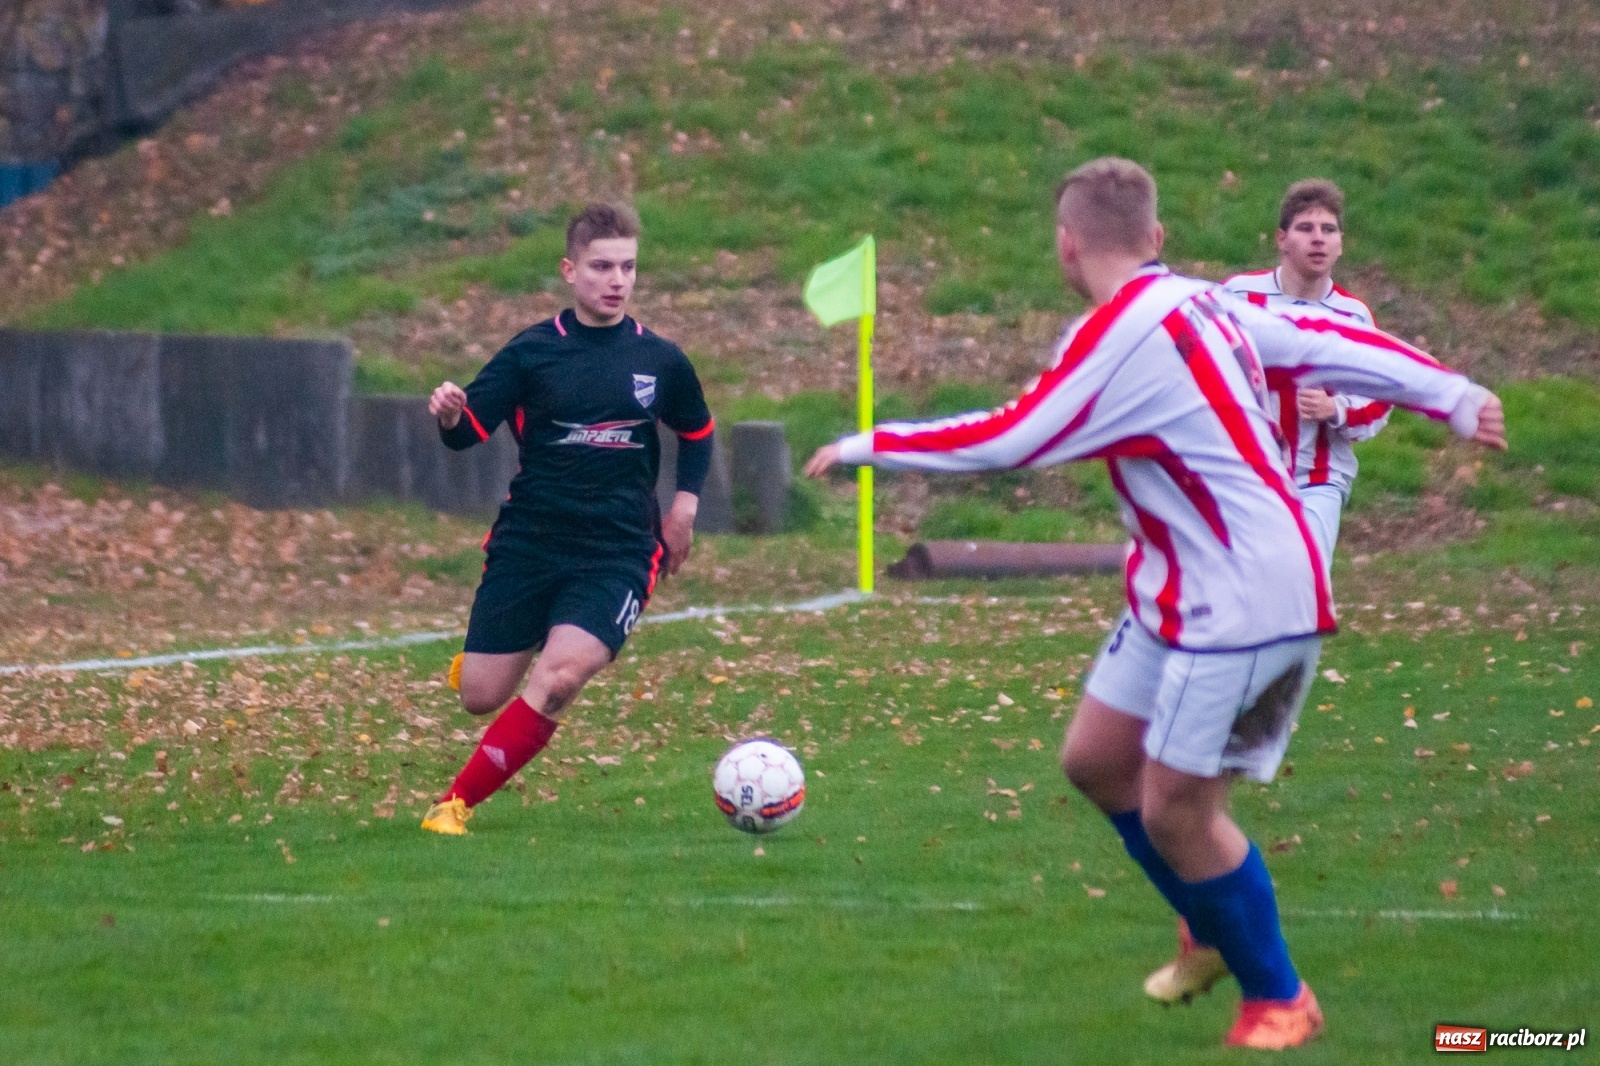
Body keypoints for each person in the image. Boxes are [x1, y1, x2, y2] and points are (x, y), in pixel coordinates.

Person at [804, 158, 1506, 1050]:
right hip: (1178, 586)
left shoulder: (1126, 339)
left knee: (1178, 810)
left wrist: (872, 444)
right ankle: (1209, 922)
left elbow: (1012, 439)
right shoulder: (1209, 301)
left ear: (1066, 246)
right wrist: (1453, 393)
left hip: (1250, 594)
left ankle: (1279, 994)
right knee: (1098, 761)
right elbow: (1327, 344)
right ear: (1158, 237)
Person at [420, 202, 715, 836]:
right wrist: (449, 414)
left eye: (629, 268)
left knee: (559, 678)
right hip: (530, 542)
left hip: (618, 551)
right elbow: (466, 433)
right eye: (602, 266)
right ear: (569, 269)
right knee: (479, 696)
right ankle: (494, 653)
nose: (617, 280)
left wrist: (685, 505)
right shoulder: (531, 353)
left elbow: (698, 430)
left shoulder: (660, 360)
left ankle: (454, 804)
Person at [1224, 179, 1390, 565]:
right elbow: (1193, 360)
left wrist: (1336, 410)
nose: (1318, 239)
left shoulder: (1353, 316)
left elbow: (1381, 397)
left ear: (1341, 243)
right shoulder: (1239, 297)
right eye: (1306, 229)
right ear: (1282, 239)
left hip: (1318, 477)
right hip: (1246, 473)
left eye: (1328, 230)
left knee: (1303, 577)